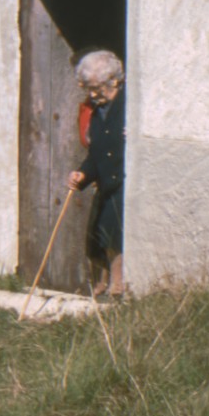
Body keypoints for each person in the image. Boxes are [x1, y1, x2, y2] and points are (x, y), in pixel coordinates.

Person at [68, 49, 127, 298]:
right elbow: (96, 153)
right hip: (105, 180)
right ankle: (104, 280)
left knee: (114, 231)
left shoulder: (129, 105)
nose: (92, 95)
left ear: (114, 80)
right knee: (99, 230)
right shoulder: (97, 110)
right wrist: (82, 174)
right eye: (88, 89)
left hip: (123, 180)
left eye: (97, 88)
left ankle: (118, 284)